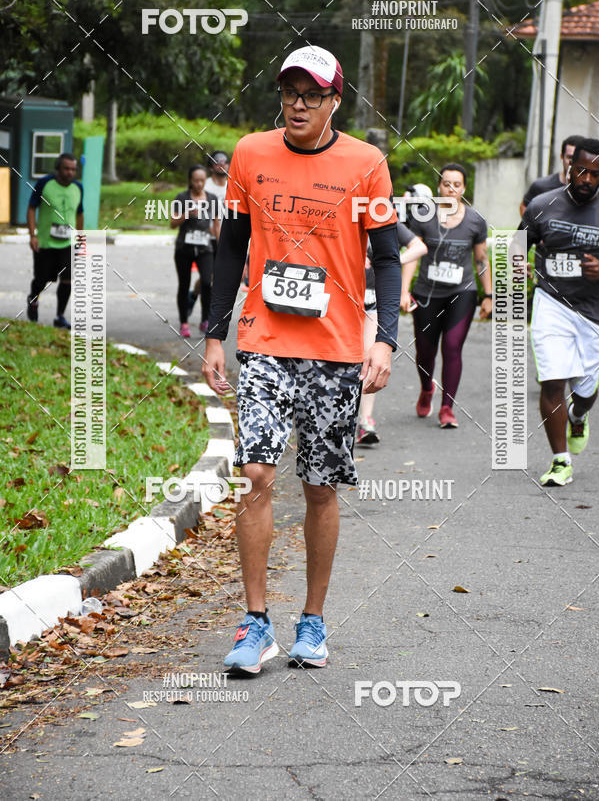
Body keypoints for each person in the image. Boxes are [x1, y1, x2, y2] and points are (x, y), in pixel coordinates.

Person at [202, 45, 401, 673]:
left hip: (337, 351)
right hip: (263, 342)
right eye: (290, 91)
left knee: (319, 486)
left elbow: (390, 258)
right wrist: (214, 333)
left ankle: (312, 620)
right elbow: (230, 248)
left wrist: (386, 338)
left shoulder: (366, 164)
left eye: (312, 94)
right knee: (256, 475)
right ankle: (256, 623)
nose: (298, 103)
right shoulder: (250, 153)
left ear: (335, 100)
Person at [519, 138, 599, 486]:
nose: (586, 179)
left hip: (594, 312)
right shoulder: (542, 203)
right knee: (552, 379)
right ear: (569, 167)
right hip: (551, 302)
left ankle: (578, 415)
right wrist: (519, 261)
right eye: (580, 170)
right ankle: (560, 460)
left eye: (595, 174)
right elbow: (518, 245)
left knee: (585, 390)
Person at [401, 163, 492, 428]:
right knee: (425, 352)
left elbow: (481, 260)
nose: (451, 189)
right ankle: (427, 388)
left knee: (452, 347)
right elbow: (412, 255)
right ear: (439, 186)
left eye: (457, 184)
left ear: (464, 189)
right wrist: (405, 290)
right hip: (427, 293)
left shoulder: (475, 221)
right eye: (446, 183)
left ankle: (447, 408)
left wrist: (488, 295)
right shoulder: (423, 216)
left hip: (461, 293)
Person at [357, 217, 427, 444]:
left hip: (373, 301)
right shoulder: (342, 212)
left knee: (368, 359)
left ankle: (365, 421)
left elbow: (419, 247)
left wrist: (390, 261)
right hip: (341, 301)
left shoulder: (383, 218)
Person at [26, 152, 83, 329]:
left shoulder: (78, 187)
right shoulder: (45, 183)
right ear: (58, 168)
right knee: (42, 279)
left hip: (67, 244)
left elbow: (80, 213)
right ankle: (33, 299)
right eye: (66, 168)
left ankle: (60, 316)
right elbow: (31, 208)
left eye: (73, 169)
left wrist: (80, 238)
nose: (70, 173)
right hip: (45, 242)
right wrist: (32, 235)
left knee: (67, 280)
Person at [171, 165, 218, 337]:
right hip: (184, 248)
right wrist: (186, 214)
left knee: (207, 283)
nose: (199, 184)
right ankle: (184, 322)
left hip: (205, 248)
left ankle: (205, 320)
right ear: (190, 181)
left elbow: (216, 225)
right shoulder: (182, 197)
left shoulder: (212, 199)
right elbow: (172, 223)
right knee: (184, 285)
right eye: (196, 181)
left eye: (202, 181)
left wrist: (220, 249)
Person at [188, 152, 229, 318]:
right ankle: (210, 313)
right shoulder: (205, 187)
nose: (222, 165)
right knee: (211, 275)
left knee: (231, 274)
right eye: (217, 162)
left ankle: (193, 294)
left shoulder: (234, 184)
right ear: (211, 166)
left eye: (225, 162)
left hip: (230, 236)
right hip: (209, 237)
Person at [520, 134, 585, 217]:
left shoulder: (591, 190)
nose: (572, 162)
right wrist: (533, 227)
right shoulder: (541, 186)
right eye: (570, 157)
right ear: (562, 157)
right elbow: (524, 206)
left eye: (577, 158)